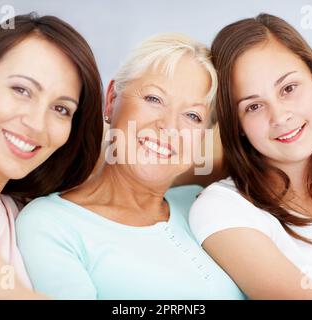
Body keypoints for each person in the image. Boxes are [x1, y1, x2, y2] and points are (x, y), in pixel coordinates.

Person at [16, 33, 245, 300]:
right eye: (153, 99)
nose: (169, 127)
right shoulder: (50, 223)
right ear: (112, 99)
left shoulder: (205, 204)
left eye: (192, 116)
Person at [189, 13, 312, 299]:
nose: (280, 116)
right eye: (253, 106)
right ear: (236, 125)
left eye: (289, 88)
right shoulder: (224, 208)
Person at [0, 13, 103, 299]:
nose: (37, 124)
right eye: (21, 90)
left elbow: (130, 161)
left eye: (61, 109)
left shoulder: (18, 215)